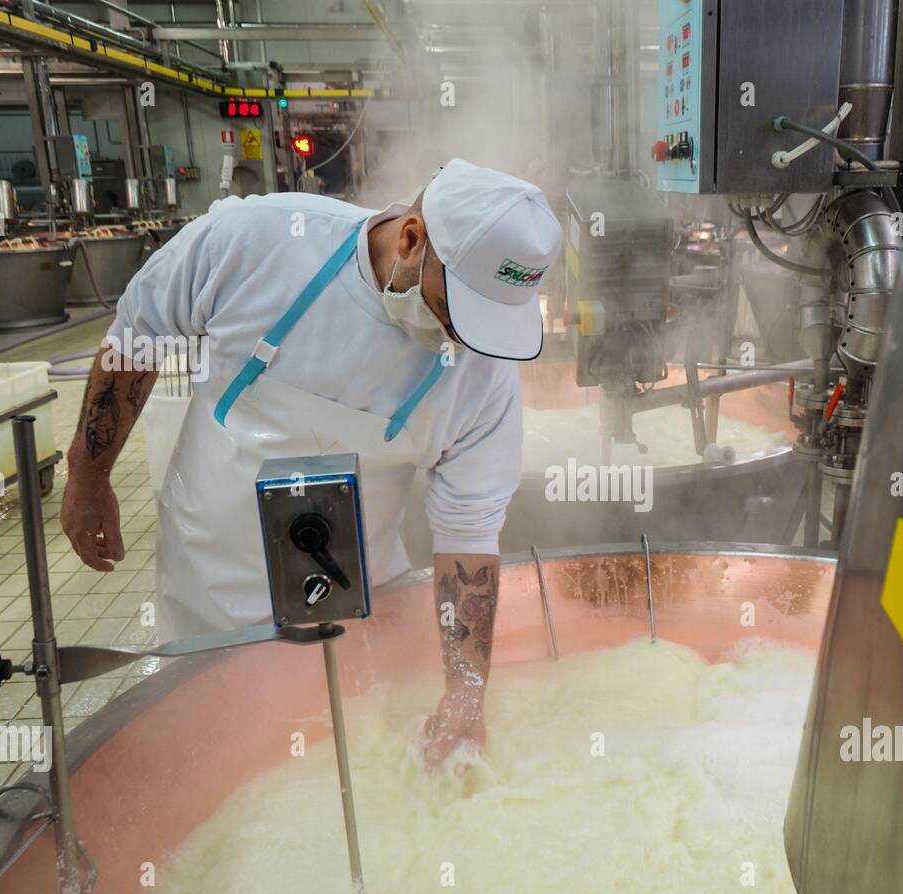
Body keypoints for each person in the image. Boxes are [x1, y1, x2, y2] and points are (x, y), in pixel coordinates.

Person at [59, 159, 563, 768]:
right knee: (221, 756)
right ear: (411, 239)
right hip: (215, 573)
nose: (461, 340)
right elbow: (140, 338)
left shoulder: (482, 373)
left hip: (361, 591)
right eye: (454, 312)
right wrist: (88, 476)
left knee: (342, 750)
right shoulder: (259, 241)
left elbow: (469, 533)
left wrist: (465, 689)